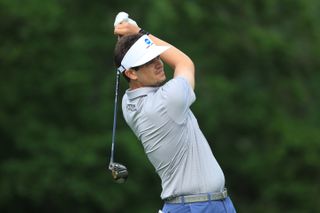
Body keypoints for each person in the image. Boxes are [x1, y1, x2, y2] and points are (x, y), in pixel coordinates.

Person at [113, 13, 236, 213]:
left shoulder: (129, 102)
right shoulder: (167, 101)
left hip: (199, 204)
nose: (159, 63)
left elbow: (127, 66)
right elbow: (184, 63)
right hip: (198, 207)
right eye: (148, 61)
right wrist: (139, 33)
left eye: (156, 56)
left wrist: (128, 42)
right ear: (131, 73)